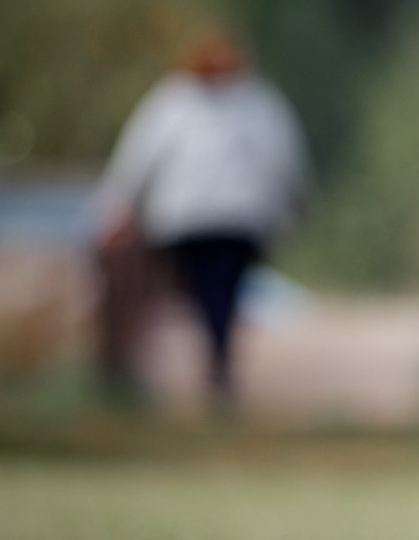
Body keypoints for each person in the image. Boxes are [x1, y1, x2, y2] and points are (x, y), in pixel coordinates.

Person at [93, 33, 309, 404]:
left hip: (209, 219)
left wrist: (113, 207)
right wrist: (298, 208)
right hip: (218, 220)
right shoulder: (252, 103)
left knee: (211, 290)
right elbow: (288, 162)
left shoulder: (176, 102)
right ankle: (217, 359)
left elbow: (136, 161)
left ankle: (216, 359)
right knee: (218, 291)